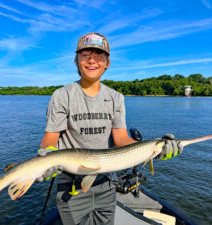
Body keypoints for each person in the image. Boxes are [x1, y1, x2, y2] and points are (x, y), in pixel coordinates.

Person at [38, 32, 183, 225]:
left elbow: (122, 139)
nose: (92, 61)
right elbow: (50, 138)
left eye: (99, 56)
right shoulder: (62, 95)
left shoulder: (116, 98)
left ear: (107, 63)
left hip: (107, 184)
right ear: (76, 61)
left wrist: (156, 149)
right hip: (71, 188)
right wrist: (48, 154)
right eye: (85, 55)